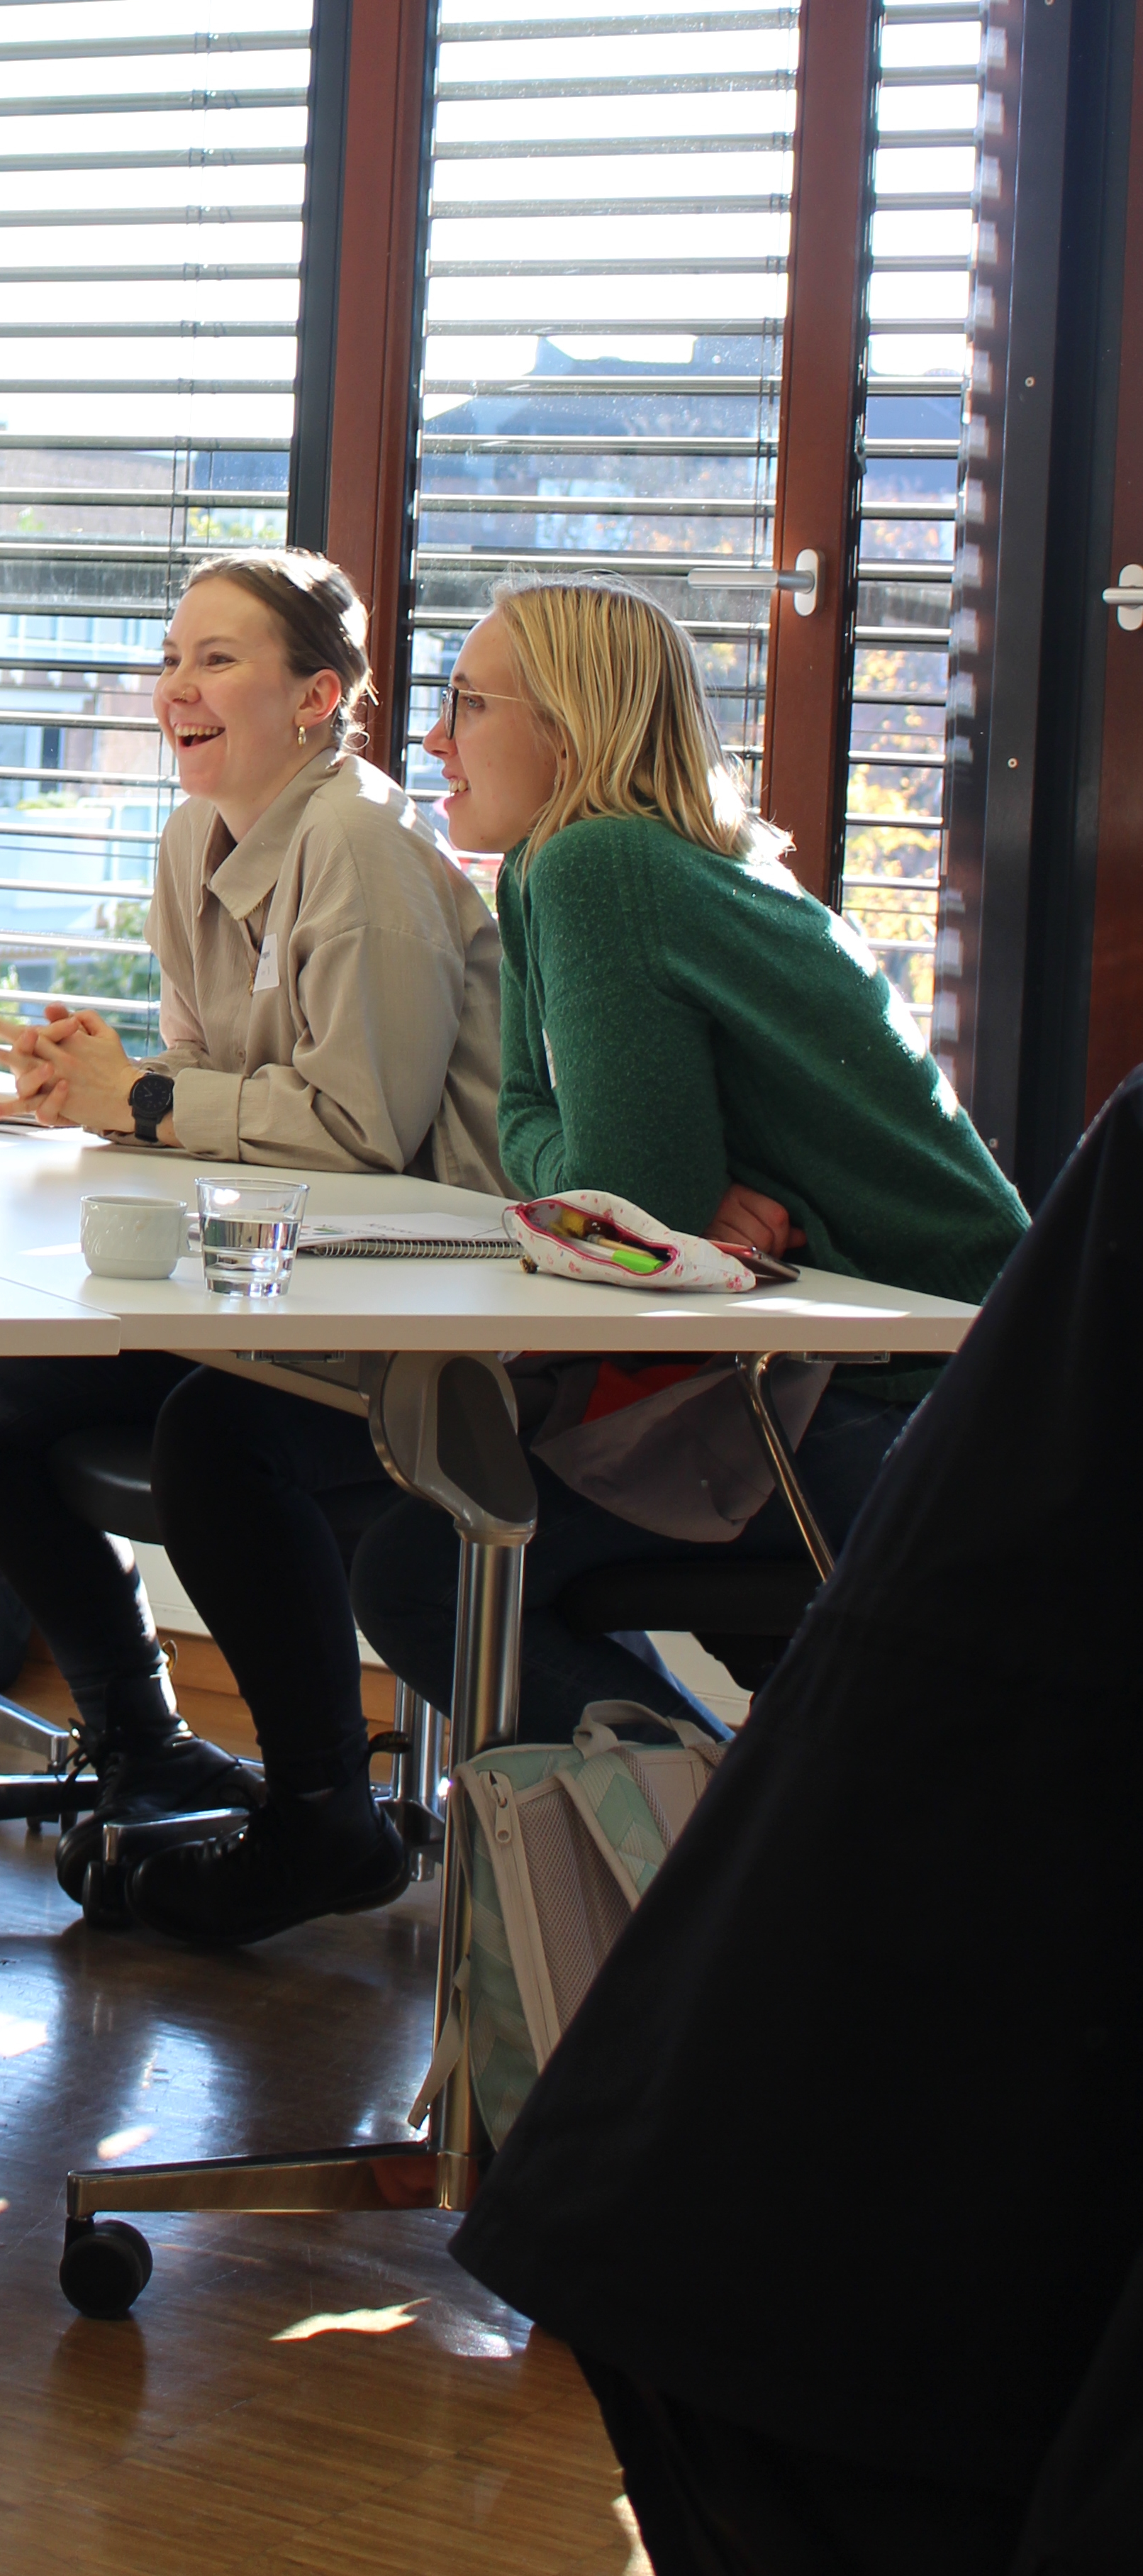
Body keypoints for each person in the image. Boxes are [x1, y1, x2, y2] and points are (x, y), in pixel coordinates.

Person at [449, 1078, 1138, 2576]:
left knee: (415, 1553)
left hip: (835, 1404)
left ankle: (663, 1815)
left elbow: (603, 1177)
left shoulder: (593, 874)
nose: (443, 818)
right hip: (875, 1393)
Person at [0, 550, 507, 1946]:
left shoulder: (361, 848)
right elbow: (200, 1087)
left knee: (213, 1438)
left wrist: (142, 1097)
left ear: (318, 698)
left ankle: (324, 1818)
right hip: (276, 1273)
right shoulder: (197, 839)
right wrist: (99, 1084)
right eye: (173, 655)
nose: (176, 687)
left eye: (219, 659)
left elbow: (363, 1130)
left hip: (419, 1300)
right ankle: (145, 1743)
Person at [348, 575, 1029, 1748]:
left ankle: (714, 1867)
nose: (432, 734)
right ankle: (735, 1850)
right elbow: (549, 1149)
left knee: (426, 1570)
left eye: (466, 702)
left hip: (895, 1399)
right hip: (921, 1381)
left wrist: (646, 1187)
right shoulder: (599, 864)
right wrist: (659, 1185)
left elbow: (617, 1203)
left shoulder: (597, 867)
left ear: (566, 726)